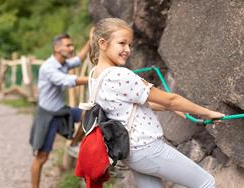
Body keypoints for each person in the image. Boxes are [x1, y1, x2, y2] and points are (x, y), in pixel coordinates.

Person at [87, 18, 225, 188]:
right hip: (147, 148)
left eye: (129, 45)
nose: (127, 50)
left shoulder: (95, 76)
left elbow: (129, 106)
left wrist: (169, 109)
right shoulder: (120, 75)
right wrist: (207, 112)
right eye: (122, 43)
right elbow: (171, 99)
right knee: (206, 183)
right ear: (103, 43)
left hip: (130, 153)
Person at [29, 33, 90, 188]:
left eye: (72, 45)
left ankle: (74, 143)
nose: (72, 48)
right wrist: (97, 78)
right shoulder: (48, 67)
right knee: (41, 157)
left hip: (61, 110)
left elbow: (79, 59)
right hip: (47, 115)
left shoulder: (63, 62)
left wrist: (91, 38)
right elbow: (68, 81)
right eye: (68, 45)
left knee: (89, 113)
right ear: (57, 48)